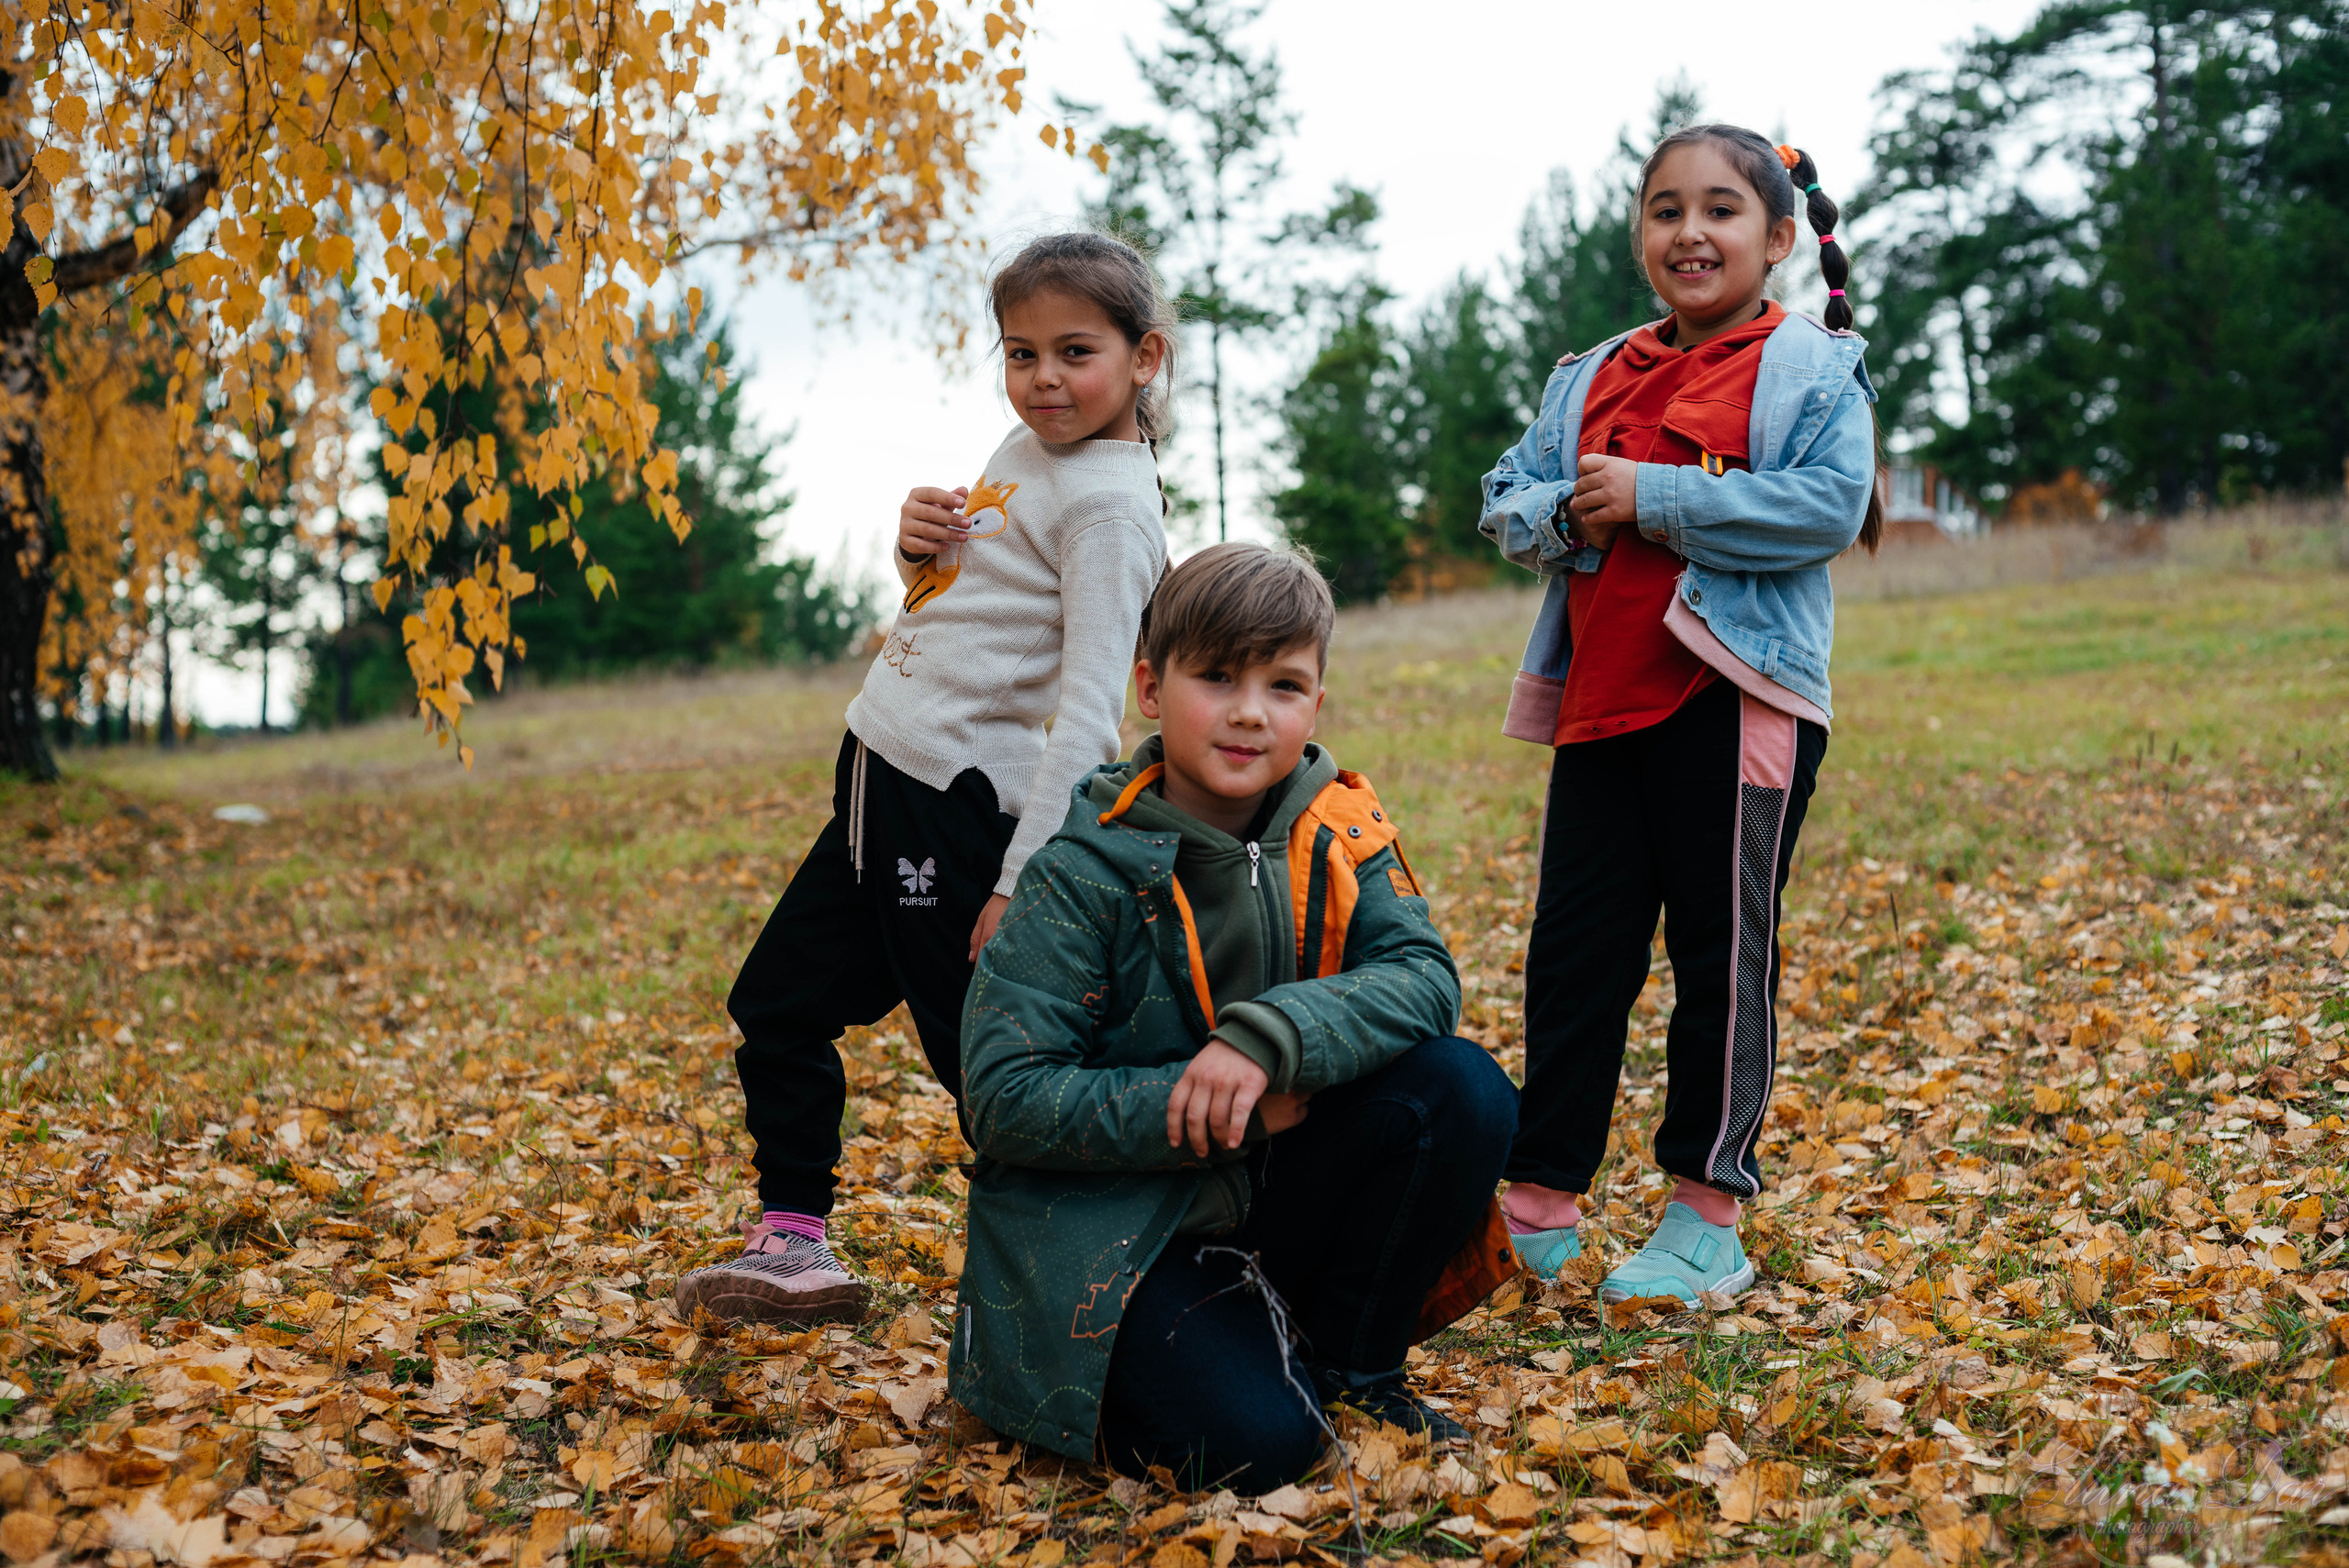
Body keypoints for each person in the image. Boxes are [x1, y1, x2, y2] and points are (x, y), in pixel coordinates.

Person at [675, 233, 1175, 1326]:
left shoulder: (1109, 508)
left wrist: (1019, 878)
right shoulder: (1030, 449)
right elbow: (963, 607)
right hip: (881, 780)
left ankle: (1110, 1277)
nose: (1043, 378)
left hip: (942, 807)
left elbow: (1090, 715)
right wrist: (917, 551)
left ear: (1144, 357)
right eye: (1020, 353)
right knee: (778, 1001)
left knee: (981, 1060)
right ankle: (796, 1244)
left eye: (1075, 352)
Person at [946, 543, 1518, 1491]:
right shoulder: (1080, 871)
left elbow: (1422, 977)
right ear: (1150, 688)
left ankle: (1355, 1366)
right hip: (1125, 1233)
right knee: (1261, 1444)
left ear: (1316, 704)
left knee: (1462, 1088)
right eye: (1216, 676)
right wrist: (1211, 1107)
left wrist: (1265, 1040)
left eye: (1282, 684)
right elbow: (1003, 1098)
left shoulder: (1340, 831)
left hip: (1279, 1197)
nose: (1251, 710)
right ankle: (1228, 1362)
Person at [1478, 128, 1882, 1307]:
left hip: (1735, 701)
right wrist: (1571, 514)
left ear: (1776, 238)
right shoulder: (1590, 375)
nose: (1690, 232)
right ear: (1641, 234)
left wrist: (1653, 495)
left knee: (1721, 958)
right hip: (1600, 711)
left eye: (1719, 210)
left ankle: (1706, 1218)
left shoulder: (1809, 368)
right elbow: (1505, 498)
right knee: (1574, 960)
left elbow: (1826, 507)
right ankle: (1537, 1206)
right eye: (1665, 210)